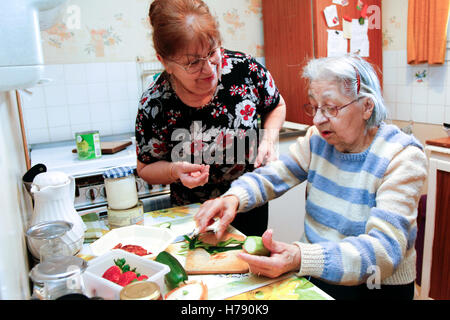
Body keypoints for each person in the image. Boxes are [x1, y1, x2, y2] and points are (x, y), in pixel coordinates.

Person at [194, 54, 428, 300]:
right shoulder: (318, 139)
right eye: (314, 107)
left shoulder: (402, 156)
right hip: (318, 272)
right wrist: (234, 198)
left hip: (375, 285)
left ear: (367, 106)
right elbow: (275, 175)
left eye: (330, 108)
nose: (317, 120)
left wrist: (300, 256)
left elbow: (382, 252)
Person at [135, 0, 286, 236]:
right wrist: (175, 171)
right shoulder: (155, 103)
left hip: (247, 204)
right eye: (193, 62)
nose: (209, 70)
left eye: (212, 53)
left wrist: (268, 139)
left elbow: (276, 105)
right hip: (193, 216)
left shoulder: (245, 70)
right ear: (165, 62)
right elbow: (145, 168)